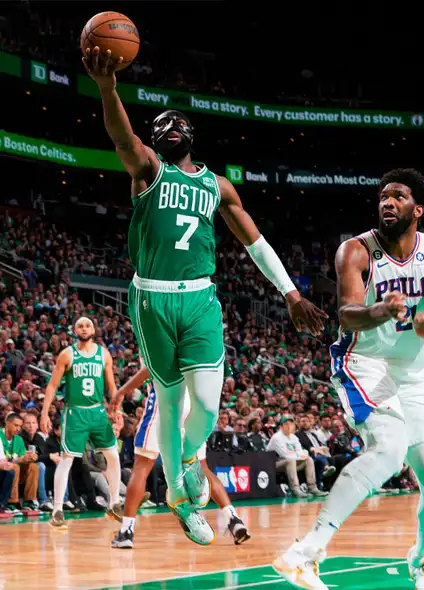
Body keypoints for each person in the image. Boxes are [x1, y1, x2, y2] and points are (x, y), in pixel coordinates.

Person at [81, 46, 327, 544]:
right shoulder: (148, 170)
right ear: (156, 140)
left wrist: (290, 292)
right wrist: (107, 88)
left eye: (179, 122)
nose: (171, 127)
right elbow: (121, 137)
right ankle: (179, 493)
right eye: (162, 125)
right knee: (169, 405)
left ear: (191, 135)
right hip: (151, 299)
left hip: (199, 298)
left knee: (208, 408)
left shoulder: (218, 185)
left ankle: (190, 459)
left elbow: (254, 241)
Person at [272, 168, 424, 590]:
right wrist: (381, 311)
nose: (387, 203)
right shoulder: (355, 251)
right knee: (390, 449)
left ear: (419, 208)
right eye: (383, 197)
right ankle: (304, 553)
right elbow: (347, 313)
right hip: (365, 363)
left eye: (398, 196)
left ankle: (422, 559)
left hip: (416, 375)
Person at [110, 364, 251, 549]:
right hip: (192, 403)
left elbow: (150, 369)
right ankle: (233, 519)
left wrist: (122, 390)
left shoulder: (155, 334)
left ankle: (126, 531)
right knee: (202, 468)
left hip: (165, 400)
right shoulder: (191, 336)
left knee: (141, 467)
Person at [40, 317, 122, 529]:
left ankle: (114, 503)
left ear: (94, 329)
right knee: (67, 460)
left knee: (113, 455)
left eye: (88, 325)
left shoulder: (103, 354)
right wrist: (44, 413)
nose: (84, 328)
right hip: (75, 413)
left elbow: (111, 385)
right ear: (74, 330)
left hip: (98, 411)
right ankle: (57, 510)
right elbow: (52, 386)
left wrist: (117, 409)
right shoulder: (67, 354)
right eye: (80, 326)